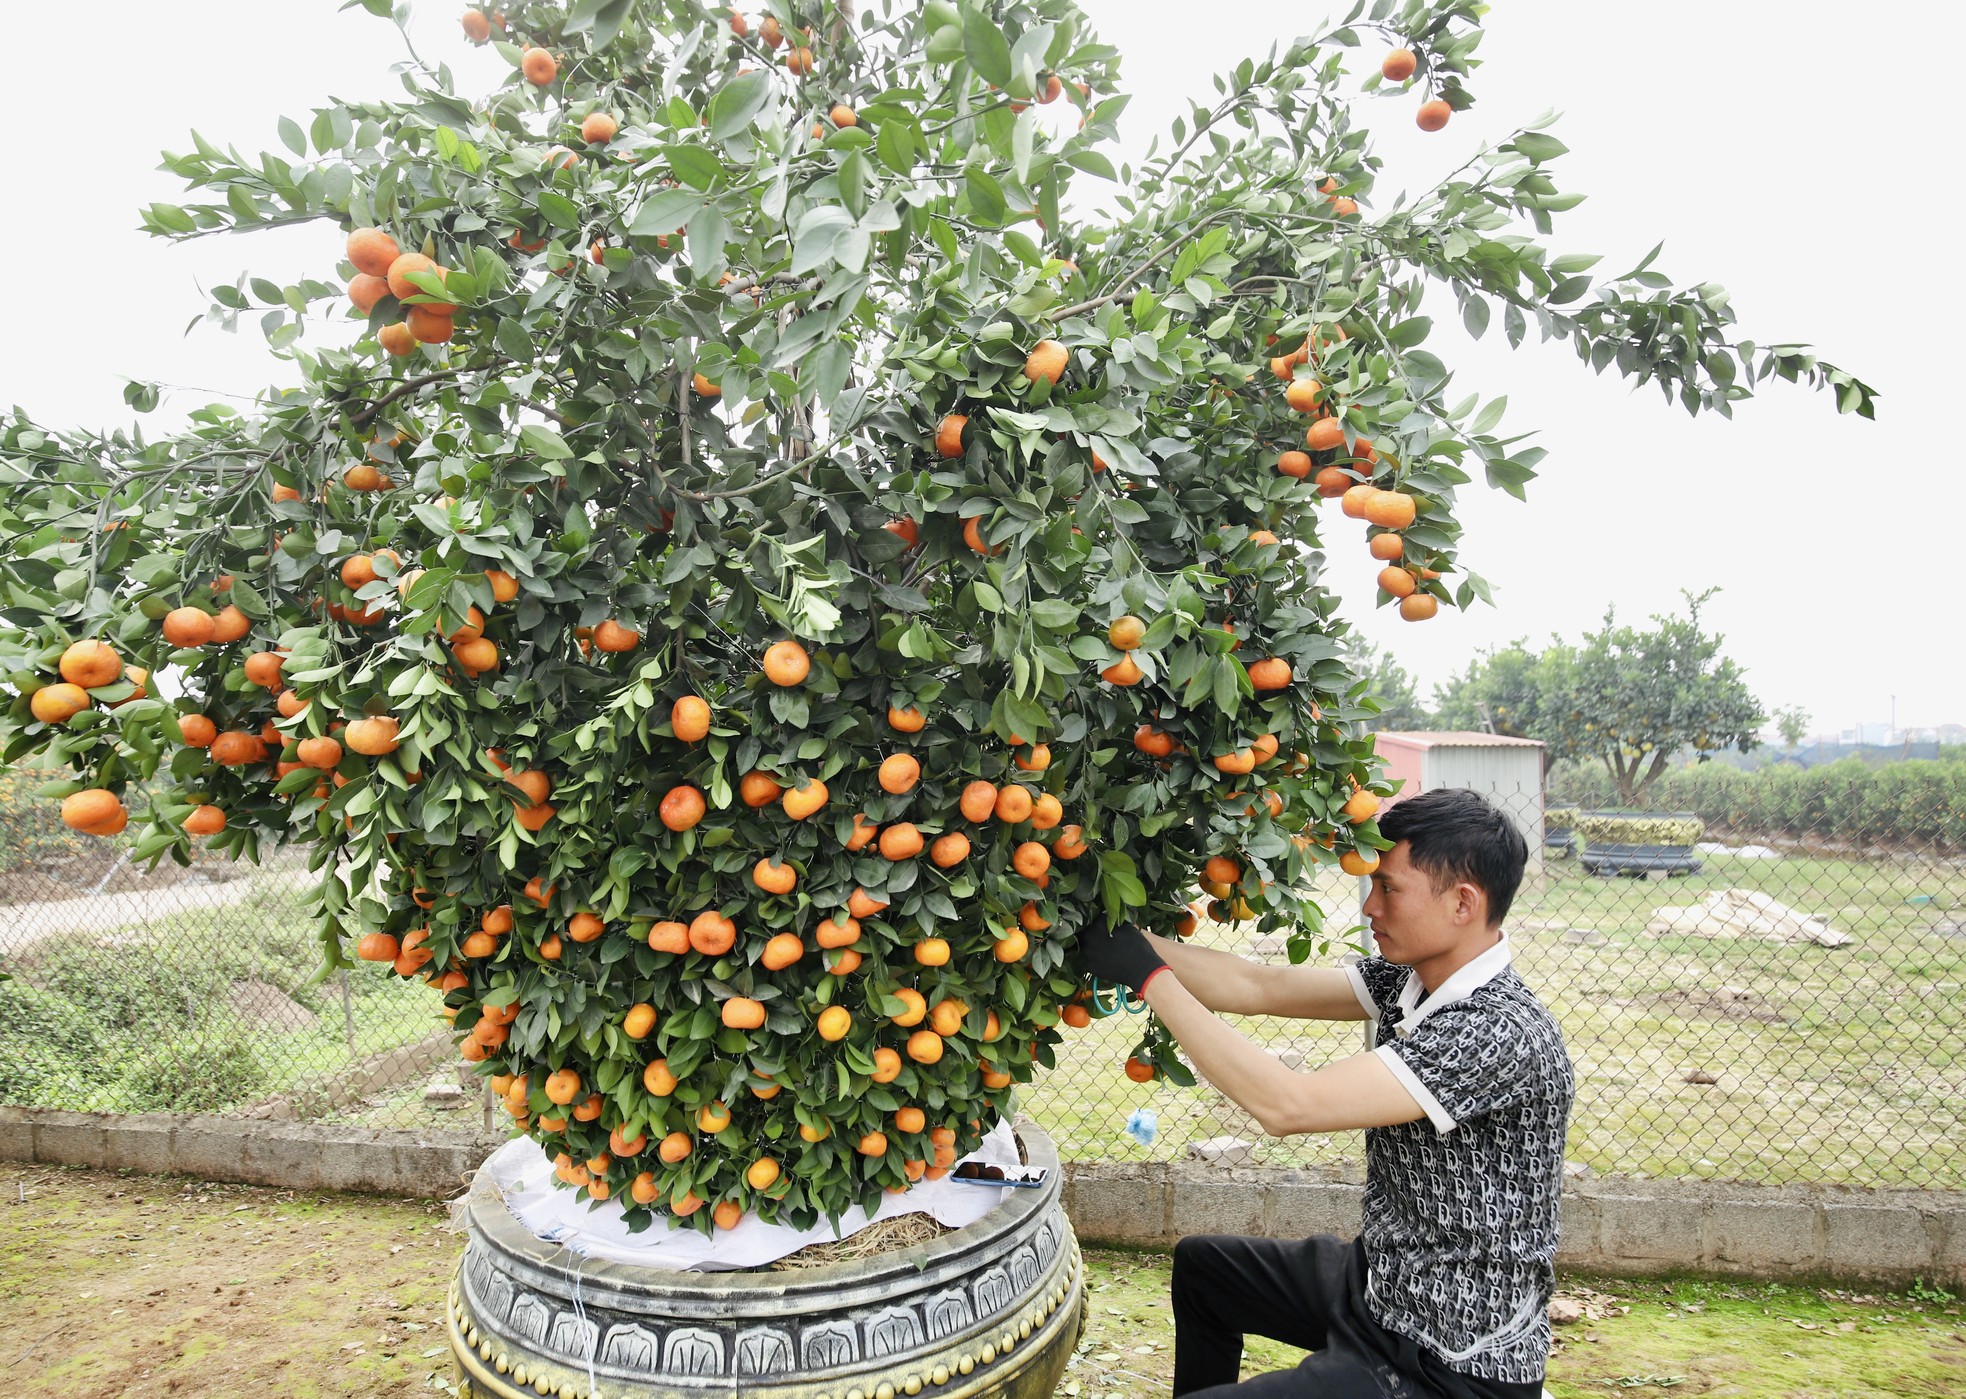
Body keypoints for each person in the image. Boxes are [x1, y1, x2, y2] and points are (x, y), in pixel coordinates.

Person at [1077, 787, 1573, 1399]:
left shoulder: (1497, 1030)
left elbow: (1289, 1105)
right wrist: (1121, 941)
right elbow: (1258, 985)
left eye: (1389, 888)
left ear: (1463, 903)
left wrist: (1150, 979)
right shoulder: (1412, 981)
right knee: (1207, 1269)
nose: (1370, 907)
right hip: (1383, 1288)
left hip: (1447, 1358)